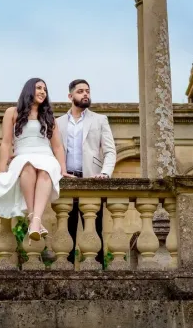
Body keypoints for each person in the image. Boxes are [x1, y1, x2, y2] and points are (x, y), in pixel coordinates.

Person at [0, 78, 73, 241]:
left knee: (45, 170)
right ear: (29, 90)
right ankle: (35, 220)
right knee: (27, 167)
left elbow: (58, 147)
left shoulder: (49, 116)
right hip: (22, 155)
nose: (43, 91)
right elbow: (6, 142)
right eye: (39, 88)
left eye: (45, 89)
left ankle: (34, 222)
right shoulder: (12, 112)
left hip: (46, 155)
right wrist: (2, 170)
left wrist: (63, 170)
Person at [55, 79, 116, 264]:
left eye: (87, 91)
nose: (85, 94)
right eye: (80, 91)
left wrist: (105, 173)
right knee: (67, 231)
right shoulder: (57, 123)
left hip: (92, 181)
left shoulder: (100, 119)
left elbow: (110, 151)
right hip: (66, 181)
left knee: (95, 231)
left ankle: (98, 275)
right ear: (70, 96)